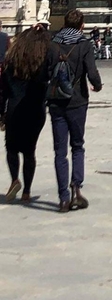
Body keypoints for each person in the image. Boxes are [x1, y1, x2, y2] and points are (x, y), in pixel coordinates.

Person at [47, 9, 102, 211]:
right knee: (77, 146)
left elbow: (45, 70)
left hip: (56, 102)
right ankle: (76, 189)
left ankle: (63, 198)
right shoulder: (84, 44)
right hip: (77, 101)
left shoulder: (52, 44)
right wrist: (97, 85)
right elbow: (92, 71)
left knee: (59, 151)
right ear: (82, 25)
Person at [0, 25, 50, 202]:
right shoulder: (42, 63)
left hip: (14, 108)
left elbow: (3, 90)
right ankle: (27, 192)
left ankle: (15, 179)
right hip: (36, 109)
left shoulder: (11, 61)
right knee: (30, 151)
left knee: (11, 148)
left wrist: (1, 113)